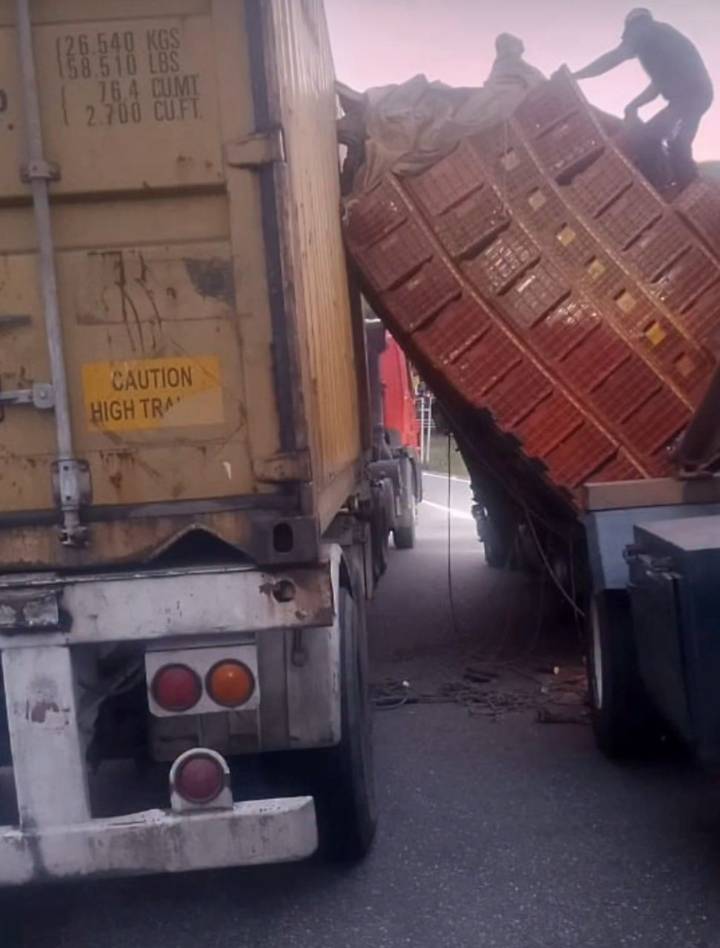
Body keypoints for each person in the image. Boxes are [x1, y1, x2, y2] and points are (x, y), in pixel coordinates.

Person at [572, 9, 714, 189]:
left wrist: (577, 75)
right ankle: (689, 193)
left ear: (632, 26)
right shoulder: (661, 38)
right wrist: (633, 105)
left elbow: (617, 56)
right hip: (696, 95)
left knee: (648, 138)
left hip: (690, 96)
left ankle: (662, 188)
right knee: (678, 143)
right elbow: (657, 86)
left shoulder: (642, 30)